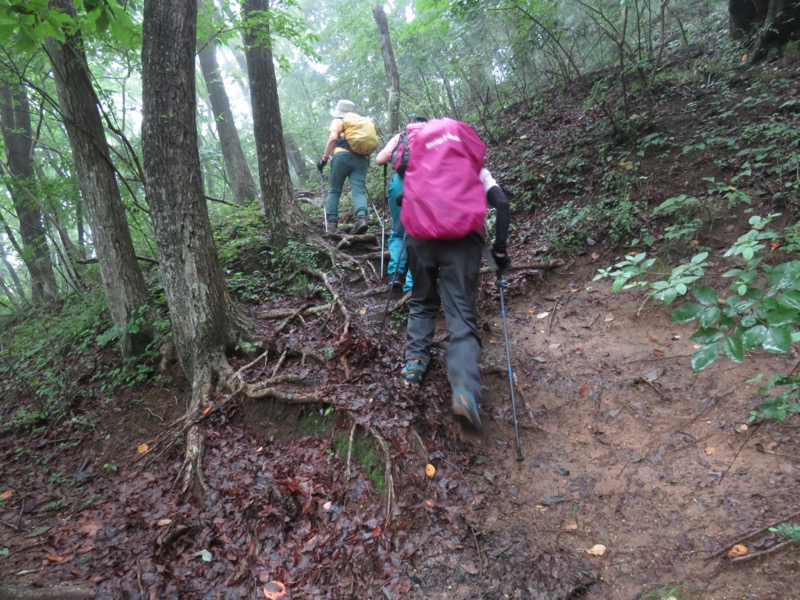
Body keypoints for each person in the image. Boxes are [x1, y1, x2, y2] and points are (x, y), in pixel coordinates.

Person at [401, 166, 510, 431]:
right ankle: (464, 390)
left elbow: (401, 201)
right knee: (460, 314)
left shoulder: (424, 167)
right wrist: (499, 249)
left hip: (420, 237)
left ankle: (414, 365)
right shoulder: (476, 170)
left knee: (422, 300)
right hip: (463, 241)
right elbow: (502, 204)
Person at [374, 117, 429, 292]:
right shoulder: (435, 136)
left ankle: (396, 274)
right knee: (422, 234)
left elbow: (379, 160)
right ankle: (413, 284)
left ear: (411, 124)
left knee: (399, 232)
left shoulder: (402, 136)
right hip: (427, 185)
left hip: (400, 184)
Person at [317, 99, 370, 234]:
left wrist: (324, 159)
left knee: (335, 190)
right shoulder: (361, 123)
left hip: (341, 157)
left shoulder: (338, 121)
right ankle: (361, 218)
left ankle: (332, 223)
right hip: (362, 159)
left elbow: (333, 138)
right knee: (359, 191)